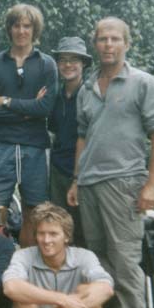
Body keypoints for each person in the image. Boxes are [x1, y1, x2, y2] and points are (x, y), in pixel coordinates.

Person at [67, 17, 154, 308]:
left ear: (127, 43)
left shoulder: (143, 84)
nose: (108, 44)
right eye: (102, 39)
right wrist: (77, 179)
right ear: (95, 44)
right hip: (90, 186)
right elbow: (82, 137)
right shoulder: (87, 89)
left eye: (115, 39)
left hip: (125, 185)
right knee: (99, 263)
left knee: (126, 267)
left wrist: (152, 185)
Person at [0, 4, 57, 247]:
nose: (21, 31)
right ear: (9, 29)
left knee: (34, 212)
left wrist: (9, 102)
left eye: (27, 26)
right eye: (17, 25)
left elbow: (45, 109)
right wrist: (28, 109)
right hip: (1, 144)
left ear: (35, 30)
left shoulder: (47, 64)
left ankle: (25, 269)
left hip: (35, 146)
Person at [47, 37, 92, 247]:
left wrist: (79, 177)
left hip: (84, 174)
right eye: (63, 59)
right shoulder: (55, 95)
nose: (68, 65)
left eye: (74, 59)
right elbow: (53, 130)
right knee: (58, 229)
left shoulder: (92, 95)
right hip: (57, 172)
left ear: (83, 63)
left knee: (83, 232)